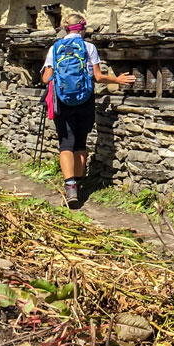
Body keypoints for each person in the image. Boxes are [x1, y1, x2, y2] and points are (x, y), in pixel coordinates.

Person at [40, 15, 134, 206]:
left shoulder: (55, 48)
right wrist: (117, 80)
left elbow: (46, 78)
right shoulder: (89, 47)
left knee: (66, 143)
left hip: (62, 101)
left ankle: (70, 187)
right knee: (81, 142)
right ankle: (80, 185)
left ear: (67, 29)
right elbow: (98, 77)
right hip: (84, 99)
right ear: (82, 29)